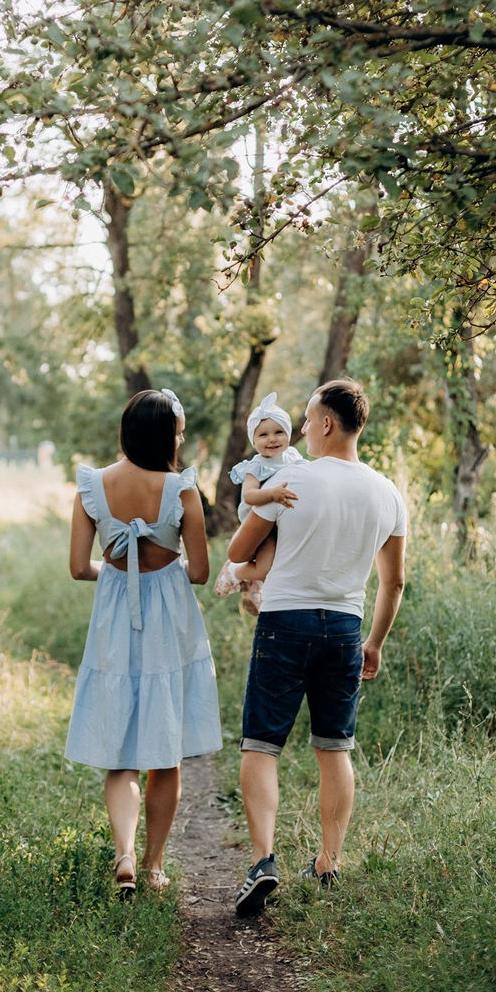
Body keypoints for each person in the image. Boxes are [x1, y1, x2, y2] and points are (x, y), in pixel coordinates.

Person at [226, 378, 406, 916]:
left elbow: (238, 550)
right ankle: (329, 861)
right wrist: (374, 642)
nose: (301, 430)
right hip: (346, 628)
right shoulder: (388, 492)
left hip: (285, 622)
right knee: (335, 748)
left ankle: (263, 863)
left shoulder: (291, 479)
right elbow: (394, 583)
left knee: (261, 745)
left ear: (327, 423)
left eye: (306, 420)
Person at [64, 387, 222, 897]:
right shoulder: (182, 489)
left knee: (120, 752)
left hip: (114, 616)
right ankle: (154, 866)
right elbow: (198, 572)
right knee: (164, 752)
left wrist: (115, 572)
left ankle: (125, 855)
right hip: (168, 620)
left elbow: (76, 568)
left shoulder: (92, 487)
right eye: (178, 431)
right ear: (166, 435)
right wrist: (158, 563)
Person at [213, 393, 301, 615]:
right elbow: (250, 495)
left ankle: (251, 590)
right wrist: (271, 494)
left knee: (275, 565)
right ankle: (234, 572)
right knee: (265, 566)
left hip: (281, 522)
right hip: (261, 525)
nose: (272, 439)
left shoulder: (293, 456)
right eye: (263, 435)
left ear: (288, 434)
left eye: (278, 432)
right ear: (254, 440)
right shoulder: (256, 466)